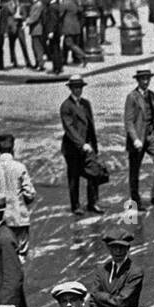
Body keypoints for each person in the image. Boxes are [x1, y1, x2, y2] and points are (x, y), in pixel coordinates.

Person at [0, 134, 36, 258]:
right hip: (18, 218)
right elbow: (30, 193)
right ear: (13, 148)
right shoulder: (20, 167)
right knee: (20, 256)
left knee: (0, 256)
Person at [124, 68, 154, 210]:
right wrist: (135, 139)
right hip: (138, 138)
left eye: (148, 78)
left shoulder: (152, 95)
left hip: (151, 136)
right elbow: (128, 121)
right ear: (137, 80)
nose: (146, 81)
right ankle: (135, 201)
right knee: (134, 171)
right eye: (143, 78)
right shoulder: (132, 97)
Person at [60, 75, 101, 216]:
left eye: (80, 87)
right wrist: (82, 144)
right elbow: (69, 128)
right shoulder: (66, 106)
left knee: (93, 173)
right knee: (74, 176)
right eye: (75, 88)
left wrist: (93, 145)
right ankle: (75, 205)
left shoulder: (86, 104)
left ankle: (92, 202)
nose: (78, 90)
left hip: (88, 146)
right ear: (71, 89)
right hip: (73, 148)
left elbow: (91, 125)